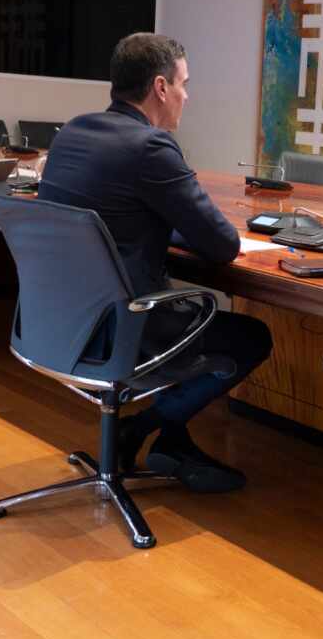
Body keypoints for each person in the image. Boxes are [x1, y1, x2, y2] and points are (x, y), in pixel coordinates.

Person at [39, 33, 273, 492]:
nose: (189, 95)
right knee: (250, 337)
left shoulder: (72, 133)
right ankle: (141, 429)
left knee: (202, 323)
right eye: (185, 84)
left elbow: (119, 212)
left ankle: (169, 439)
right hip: (121, 326)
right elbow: (223, 246)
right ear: (161, 88)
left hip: (59, 320)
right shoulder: (150, 148)